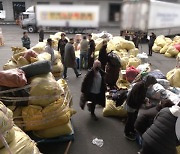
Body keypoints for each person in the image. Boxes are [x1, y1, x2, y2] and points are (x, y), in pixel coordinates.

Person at [124, 75, 157, 141]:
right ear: (149, 83)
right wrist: (145, 102)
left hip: (135, 106)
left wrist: (145, 99)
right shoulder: (139, 86)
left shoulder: (145, 86)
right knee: (130, 120)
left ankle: (132, 129)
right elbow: (136, 99)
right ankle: (127, 133)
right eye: (152, 84)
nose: (152, 86)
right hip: (132, 105)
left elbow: (141, 96)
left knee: (134, 117)